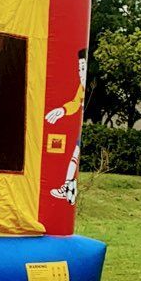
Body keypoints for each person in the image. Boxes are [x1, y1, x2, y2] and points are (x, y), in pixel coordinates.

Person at [44, 49, 87, 206]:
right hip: (77, 130)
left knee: (74, 154)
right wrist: (62, 110)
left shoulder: (86, 89)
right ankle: (68, 184)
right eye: (79, 69)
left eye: (84, 69)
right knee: (73, 154)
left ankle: (68, 184)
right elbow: (75, 103)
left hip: (81, 129)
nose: (81, 73)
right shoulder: (80, 89)